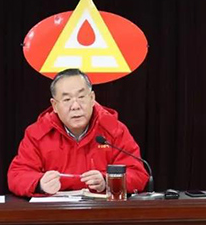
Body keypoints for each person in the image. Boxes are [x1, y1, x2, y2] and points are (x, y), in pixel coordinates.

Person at [8, 68, 149, 197]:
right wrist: (40, 183)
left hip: (102, 213)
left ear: (92, 98)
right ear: (54, 105)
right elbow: (17, 175)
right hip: (55, 213)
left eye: (81, 97)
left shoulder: (114, 130)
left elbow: (138, 175)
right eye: (67, 99)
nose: (75, 106)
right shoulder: (37, 133)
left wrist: (107, 181)